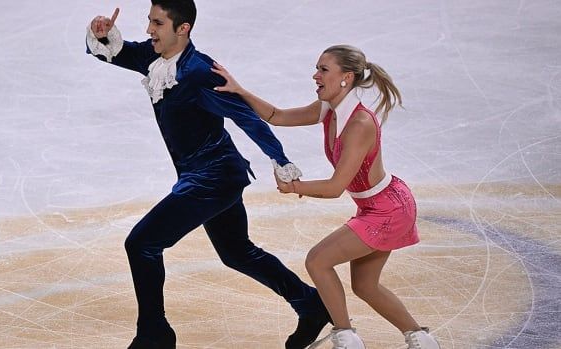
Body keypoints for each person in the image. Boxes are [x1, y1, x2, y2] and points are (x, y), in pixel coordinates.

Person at [85, 1, 332, 348]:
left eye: (157, 23)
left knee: (142, 244)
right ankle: (312, 305)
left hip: (214, 177)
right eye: (149, 21)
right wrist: (102, 35)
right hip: (206, 174)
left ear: (182, 29)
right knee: (236, 252)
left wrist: (281, 160)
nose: (149, 30)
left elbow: (245, 117)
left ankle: (155, 334)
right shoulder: (154, 58)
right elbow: (115, 53)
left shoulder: (201, 72)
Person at [213, 45, 441, 349]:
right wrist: (240, 90)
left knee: (318, 261)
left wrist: (294, 187)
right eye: (317, 68)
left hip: (388, 210)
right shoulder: (328, 109)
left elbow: (335, 188)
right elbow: (277, 116)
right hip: (378, 205)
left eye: (323, 70)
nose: (315, 75)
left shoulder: (359, 125)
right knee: (365, 286)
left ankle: (346, 338)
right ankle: (422, 340)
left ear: (345, 77)